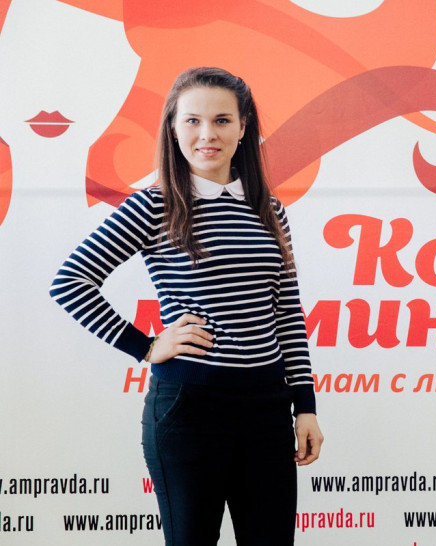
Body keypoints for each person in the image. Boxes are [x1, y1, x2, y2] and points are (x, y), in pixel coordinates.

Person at [50, 66, 323, 545]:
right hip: (190, 411)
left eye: (222, 120)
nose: (207, 134)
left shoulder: (268, 209)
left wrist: (305, 406)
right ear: (173, 129)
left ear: (243, 127)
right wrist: (145, 346)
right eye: (192, 121)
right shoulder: (154, 205)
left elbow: (286, 314)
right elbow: (70, 282)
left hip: (266, 409)